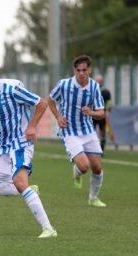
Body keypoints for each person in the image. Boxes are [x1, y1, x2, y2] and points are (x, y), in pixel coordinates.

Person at [0, 59, 57, 238]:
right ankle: (23, 189)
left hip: (20, 144)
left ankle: (48, 229)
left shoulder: (13, 88)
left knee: (20, 183)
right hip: (2, 149)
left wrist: (31, 127)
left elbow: (41, 103)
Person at [47, 55, 106, 207]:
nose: (81, 73)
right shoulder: (65, 85)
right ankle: (77, 171)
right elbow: (50, 99)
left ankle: (93, 198)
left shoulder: (94, 87)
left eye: (84, 70)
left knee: (97, 168)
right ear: (74, 70)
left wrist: (91, 112)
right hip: (69, 131)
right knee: (84, 166)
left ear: (90, 70)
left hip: (87, 130)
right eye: (78, 70)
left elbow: (101, 113)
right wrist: (58, 117)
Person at [93, 75, 112, 153]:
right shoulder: (92, 90)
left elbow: (109, 103)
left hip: (101, 116)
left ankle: (101, 150)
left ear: (102, 82)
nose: (98, 82)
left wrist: (108, 112)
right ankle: (93, 150)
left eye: (100, 80)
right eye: (97, 80)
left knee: (102, 133)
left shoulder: (106, 92)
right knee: (92, 133)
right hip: (93, 115)